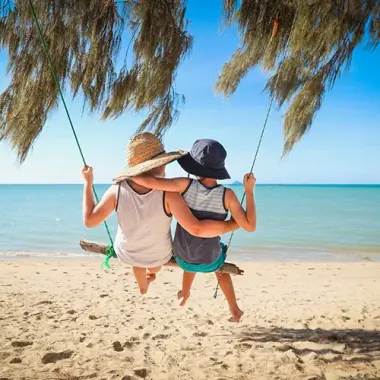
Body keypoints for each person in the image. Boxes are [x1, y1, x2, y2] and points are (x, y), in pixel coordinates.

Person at [81, 133, 238, 295]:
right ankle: (153, 274)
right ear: (160, 164)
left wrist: (88, 183)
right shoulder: (169, 194)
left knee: (137, 260)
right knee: (154, 266)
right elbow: (195, 227)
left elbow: (89, 221)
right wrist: (232, 224)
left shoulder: (117, 190)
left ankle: (143, 286)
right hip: (159, 256)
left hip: (126, 253)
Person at [133, 139, 256, 322]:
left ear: (196, 166)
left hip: (183, 256)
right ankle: (234, 309)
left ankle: (185, 293)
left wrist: (130, 175)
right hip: (210, 260)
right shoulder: (227, 195)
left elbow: (150, 182)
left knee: (191, 250)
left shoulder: (185, 185)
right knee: (220, 267)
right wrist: (249, 191)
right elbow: (249, 226)